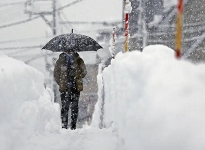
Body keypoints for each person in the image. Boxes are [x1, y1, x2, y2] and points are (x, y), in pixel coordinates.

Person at [54, 50, 87, 130]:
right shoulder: (60, 61)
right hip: (64, 88)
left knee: (74, 107)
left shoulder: (79, 60)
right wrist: (61, 82)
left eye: (71, 49)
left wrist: (77, 72)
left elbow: (84, 72)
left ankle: (73, 126)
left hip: (75, 87)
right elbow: (56, 74)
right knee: (65, 107)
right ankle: (64, 125)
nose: (69, 51)